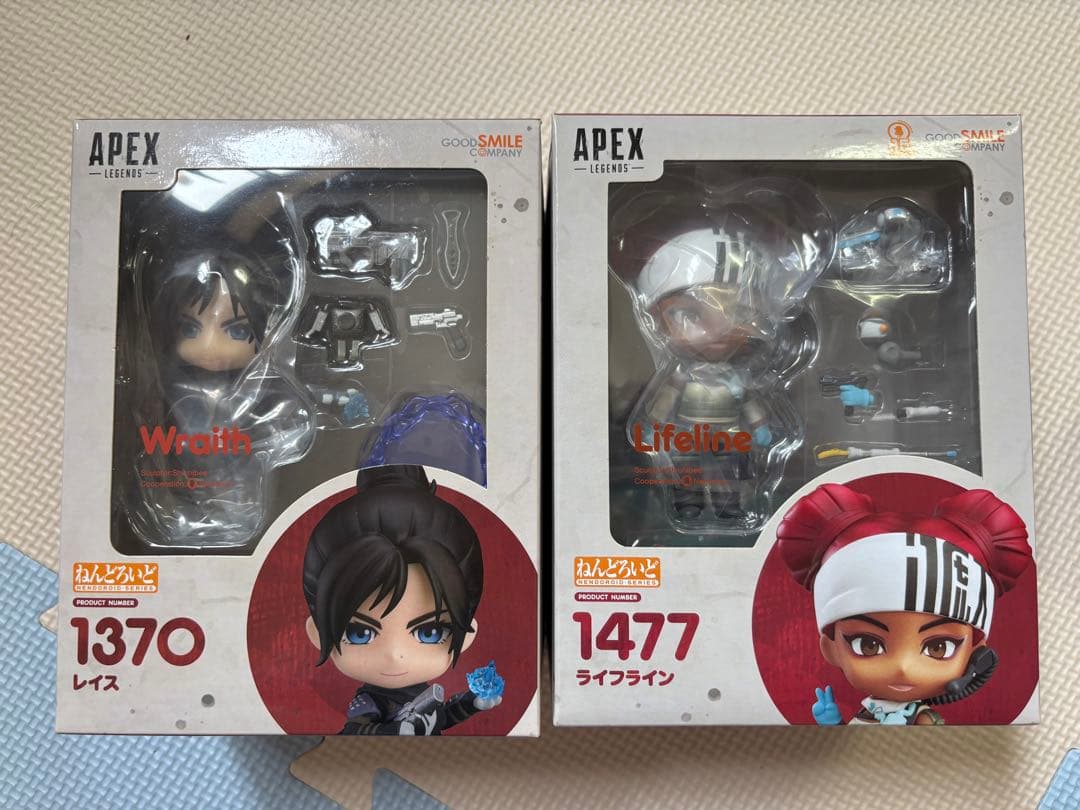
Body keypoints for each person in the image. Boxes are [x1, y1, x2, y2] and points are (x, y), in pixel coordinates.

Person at [776, 482, 1033, 725]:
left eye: (938, 648)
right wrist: (834, 724)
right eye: (867, 645)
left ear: (975, 653)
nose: (903, 666)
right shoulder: (870, 710)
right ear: (831, 648)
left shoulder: (922, 718)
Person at [302, 464, 504, 735]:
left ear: (467, 633)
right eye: (359, 633)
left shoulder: (425, 695)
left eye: (430, 632)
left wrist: (472, 703)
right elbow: (354, 731)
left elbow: (442, 718)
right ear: (317, 633)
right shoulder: (369, 702)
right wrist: (393, 732)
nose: (394, 654)